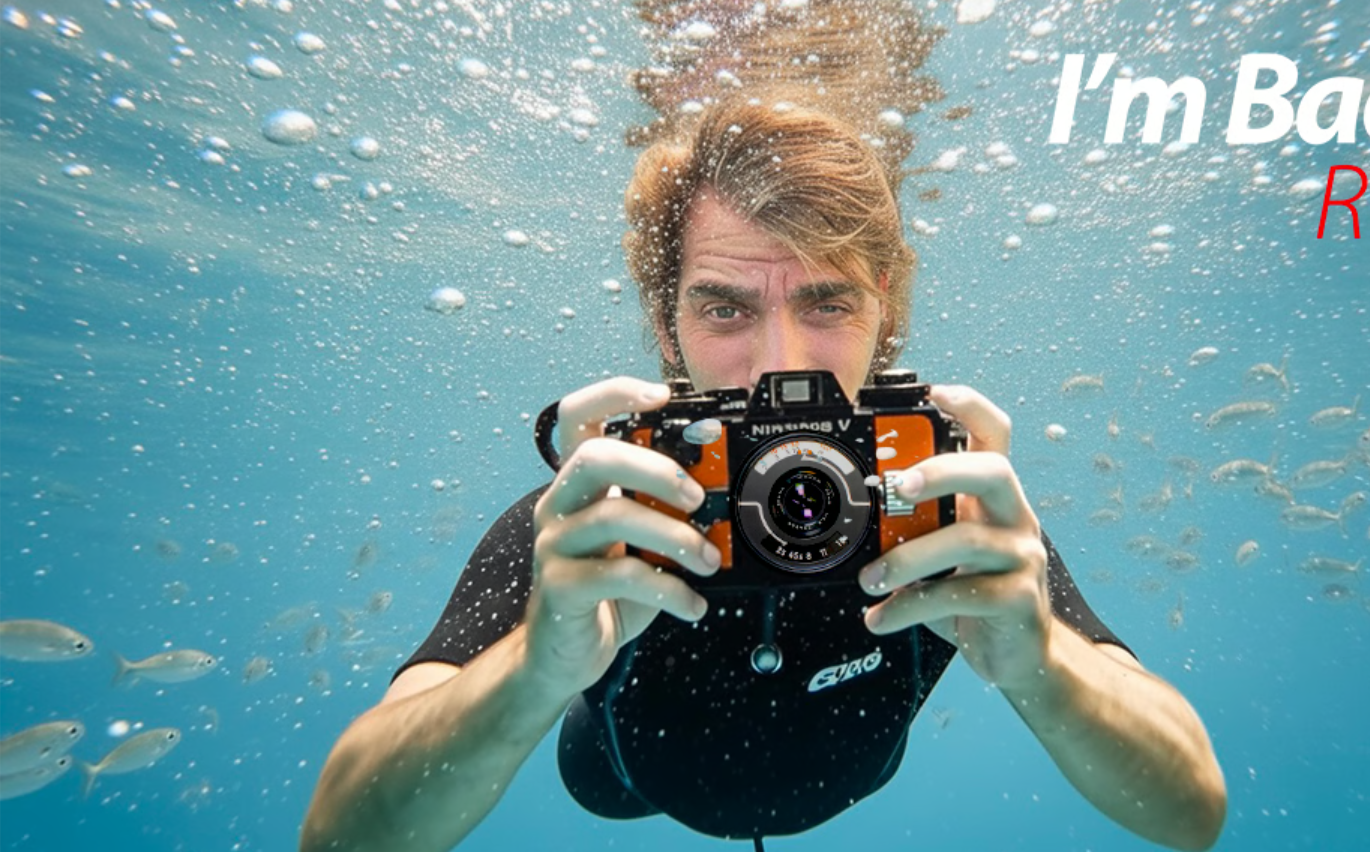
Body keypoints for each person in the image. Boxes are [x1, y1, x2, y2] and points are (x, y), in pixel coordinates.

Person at [299, 93, 1226, 852]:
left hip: (850, 773)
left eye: (827, 302)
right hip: (621, 778)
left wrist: (1043, 667)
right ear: (666, 328)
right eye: (724, 310)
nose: (783, 362)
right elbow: (340, 838)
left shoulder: (941, 505)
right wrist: (538, 669)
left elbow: (1191, 812)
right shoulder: (601, 512)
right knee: (599, 783)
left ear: (883, 316)